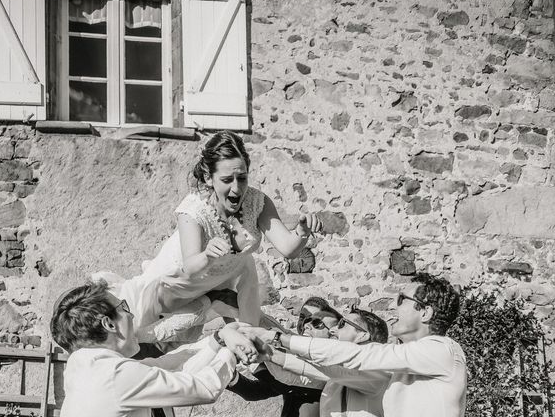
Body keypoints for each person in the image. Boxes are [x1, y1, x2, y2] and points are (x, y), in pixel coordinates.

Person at [141, 130, 322, 326]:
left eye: (242, 178)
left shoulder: (257, 202)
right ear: (209, 178)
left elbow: (288, 248)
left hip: (224, 281)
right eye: (227, 180)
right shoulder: (192, 211)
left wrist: (301, 234)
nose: (237, 188)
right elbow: (190, 267)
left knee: (253, 335)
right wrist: (207, 255)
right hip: (176, 284)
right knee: (148, 333)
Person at [243, 273, 467, 417]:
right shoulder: (401, 366)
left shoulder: (442, 350)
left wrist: (279, 338)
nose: (393, 305)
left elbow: (359, 357)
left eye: (401, 300)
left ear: (425, 312)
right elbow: (332, 371)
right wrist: (270, 352)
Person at [50, 280, 257, 417]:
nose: (131, 316)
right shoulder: (113, 376)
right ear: (109, 324)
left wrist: (219, 339)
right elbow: (204, 389)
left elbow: (162, 367)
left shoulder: (85, 371)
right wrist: (233, 347)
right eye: (124, 308)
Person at [262, 307, 390, 417]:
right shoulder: (332, 377)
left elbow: (322, 367)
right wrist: (266, 352)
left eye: (342, 324)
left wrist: (277, 338)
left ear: (363, 335)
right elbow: (298, 369)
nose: (333, 330)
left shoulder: (374, 368)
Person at [226, 298, 343, 417]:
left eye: (317, 323)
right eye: (304, 318)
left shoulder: (334, 365)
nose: (306, 325)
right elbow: (256, 391)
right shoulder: (296, 350)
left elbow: (286, 374)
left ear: (333, 335)